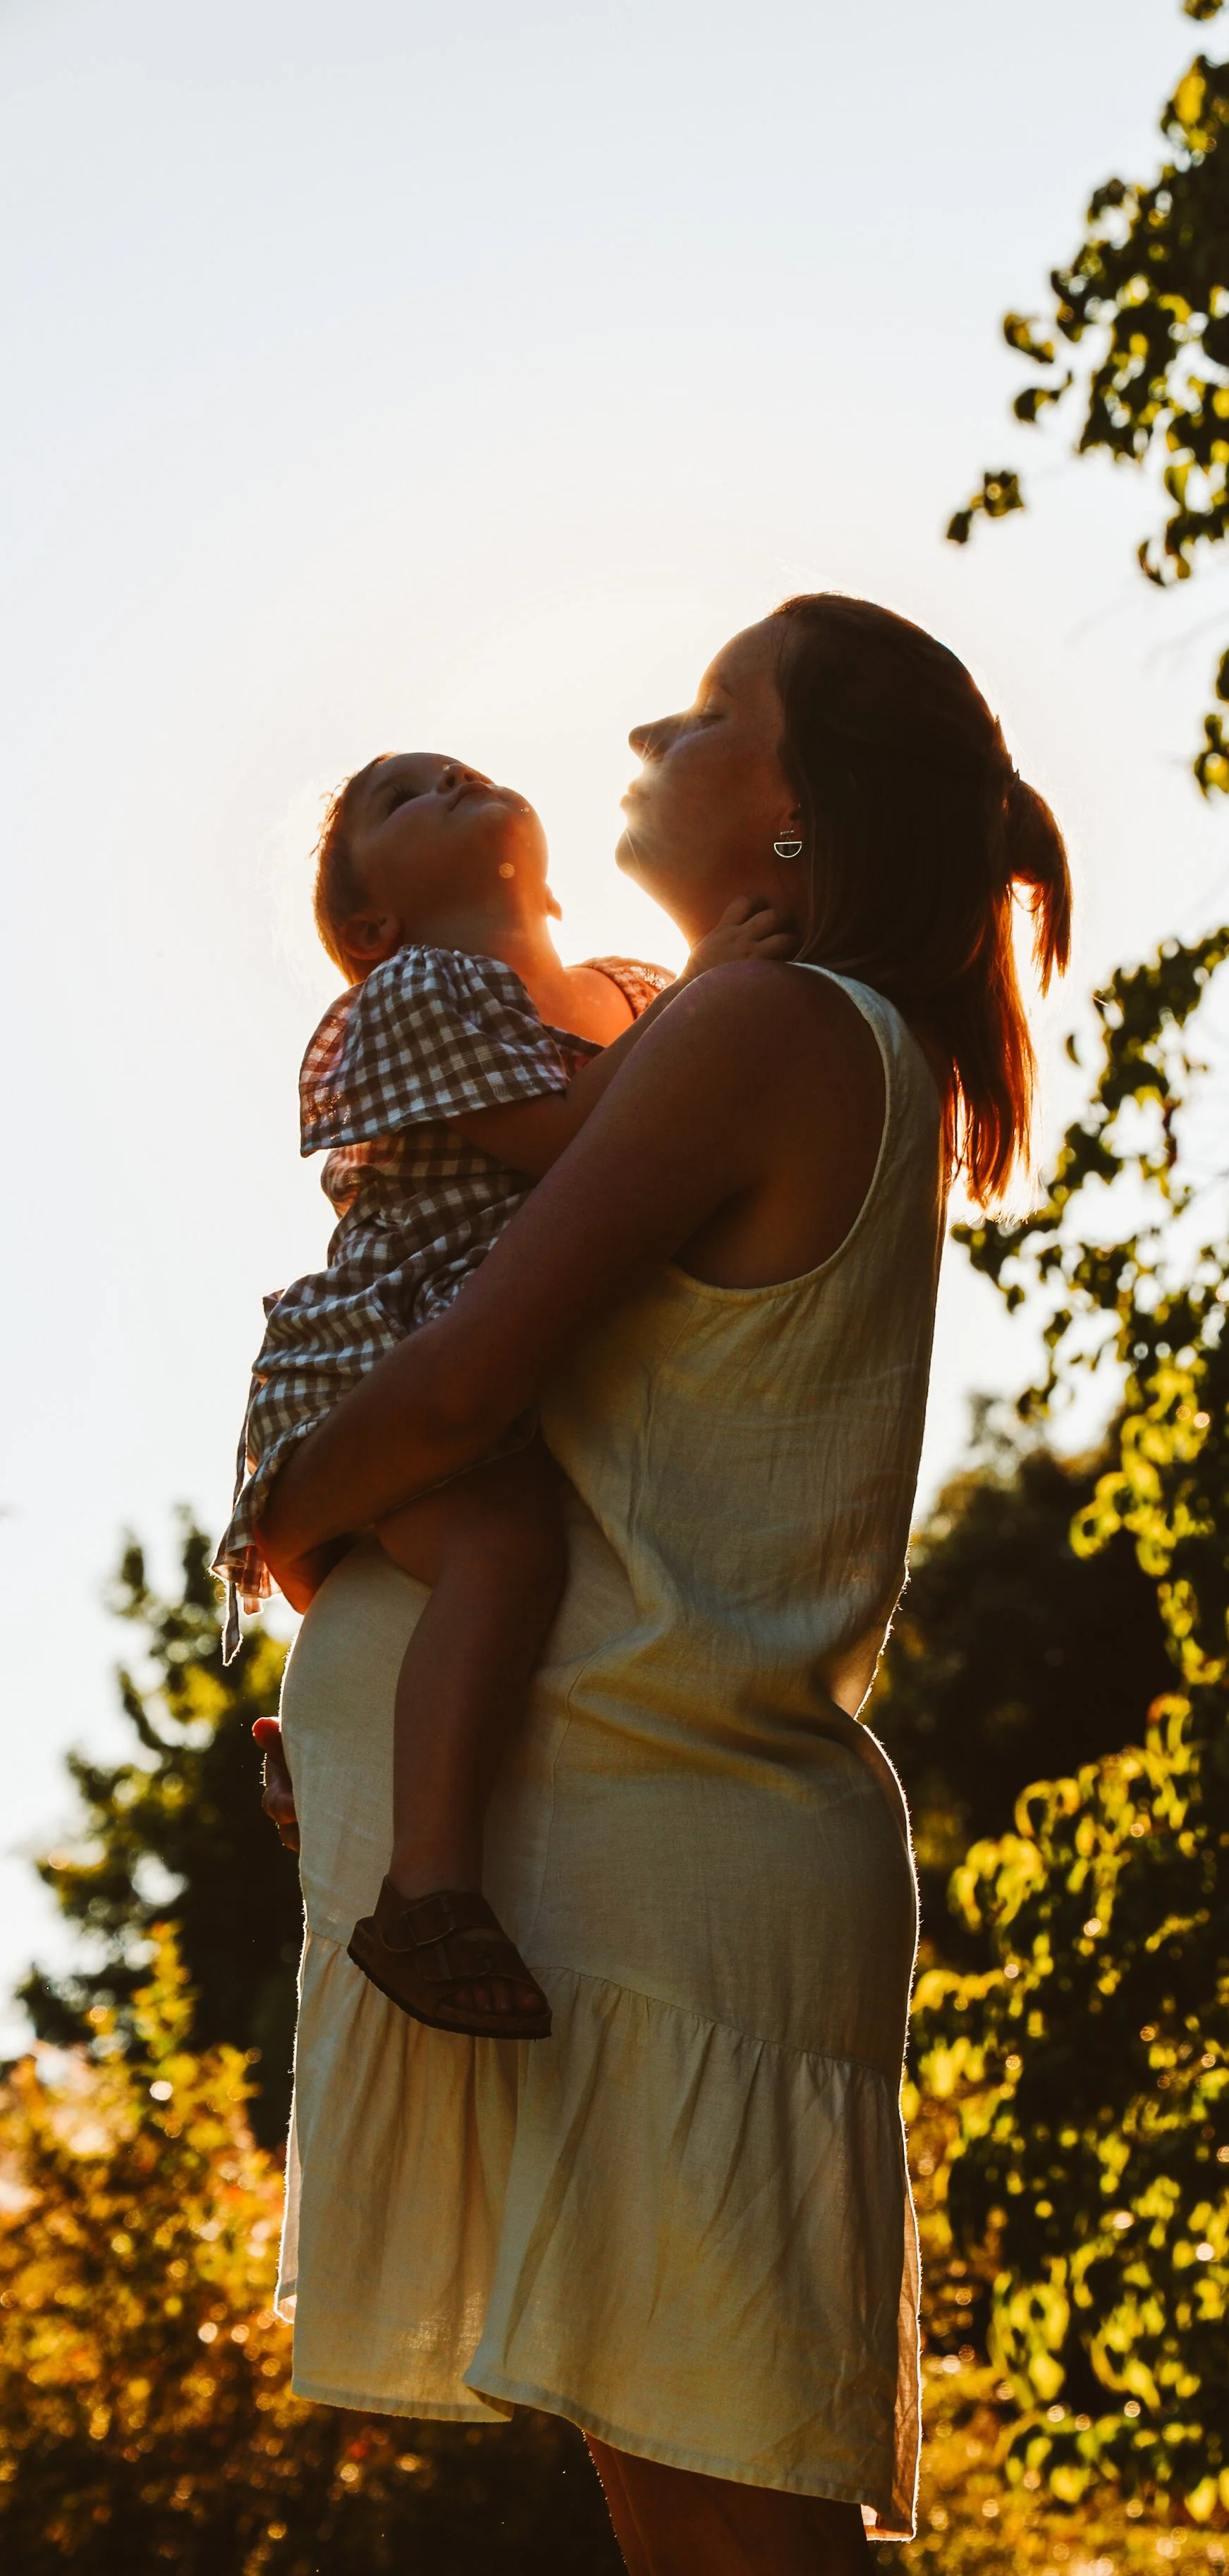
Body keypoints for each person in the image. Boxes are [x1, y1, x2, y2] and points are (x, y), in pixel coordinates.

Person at [252, 594, 1071, 2576]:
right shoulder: (748, 1028)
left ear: (791, 809)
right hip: (631, 1852)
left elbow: (455, 1385)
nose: (647, 723)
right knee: (712, 2575)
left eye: (710, 710)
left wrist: (280, 1509)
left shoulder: (750, 1031)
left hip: (662, 1871)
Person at [216, 753, 790, 2036]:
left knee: (479, 1575)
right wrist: (707, 996)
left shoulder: (636, 990)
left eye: (449, 767)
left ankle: (327, 1740)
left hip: (500, 1355)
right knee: (502, 1546)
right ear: (374, 927)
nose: (448, 775)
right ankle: (427, 1891)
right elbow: (575, 1136)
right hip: (386, 1342)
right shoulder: (418, 987)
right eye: (401, 798)